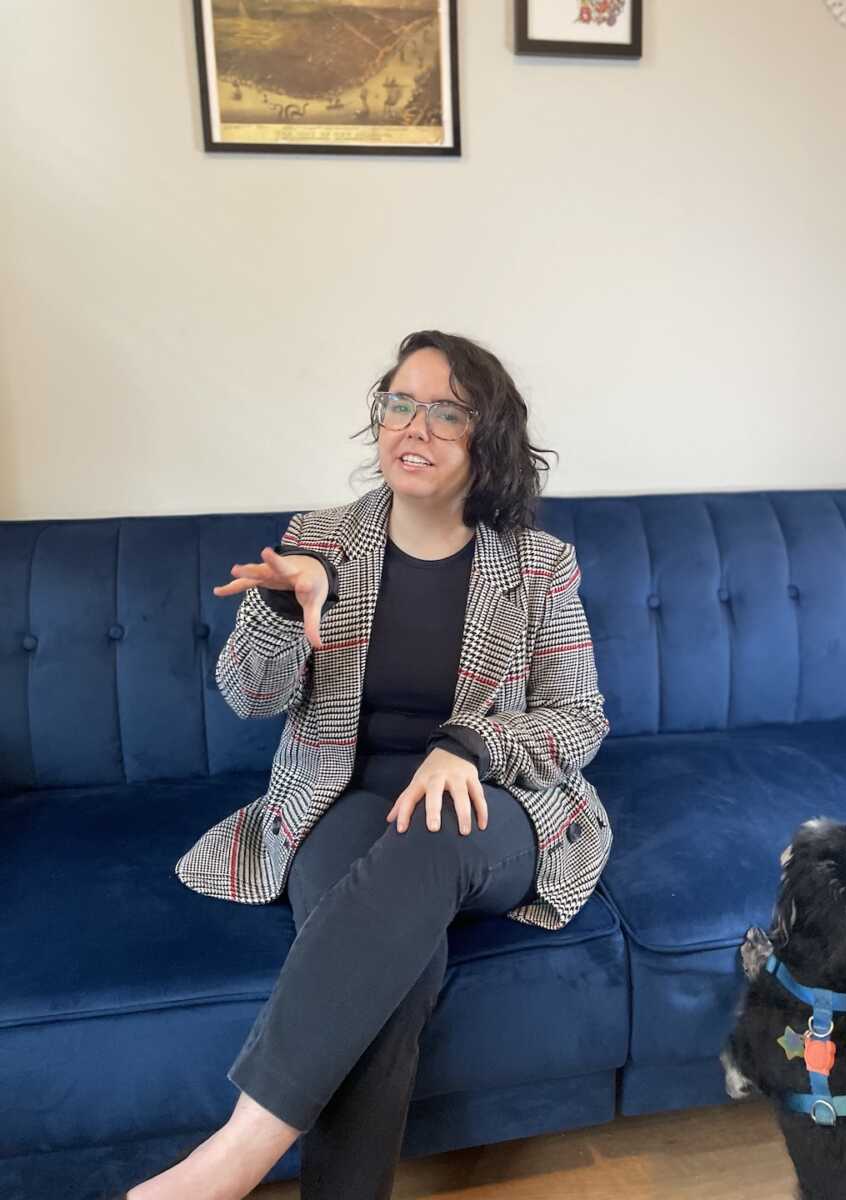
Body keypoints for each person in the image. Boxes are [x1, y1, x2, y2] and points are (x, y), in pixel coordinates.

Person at [124, 330, 612, 1200]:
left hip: (491, 806)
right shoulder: (319, 542)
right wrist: (281, 607)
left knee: (432, 837)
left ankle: (229, 1158)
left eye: (446, 412)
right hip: (341, 800)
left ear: (486, 439)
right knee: (391, 973)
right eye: (399, 402)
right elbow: (246, 695)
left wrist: (470, 745)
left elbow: (579, 720)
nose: (412, 426)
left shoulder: (539, 566)